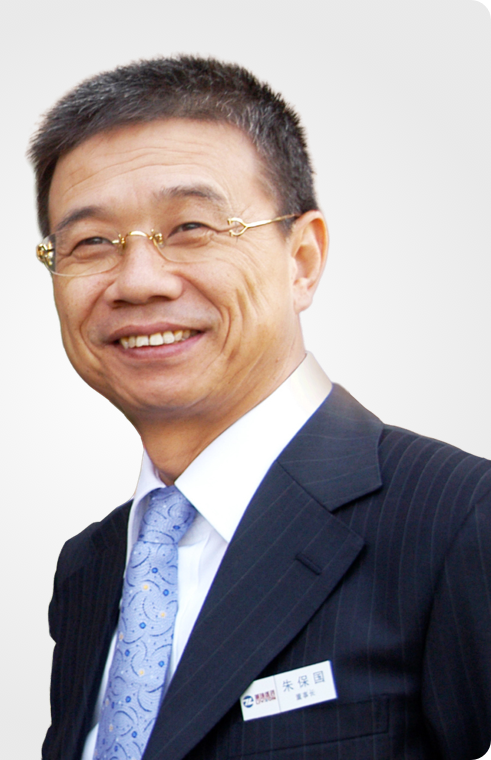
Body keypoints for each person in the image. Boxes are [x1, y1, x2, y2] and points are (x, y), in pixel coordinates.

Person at [28, 55, 491, 760]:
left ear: (302, 258)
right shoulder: (90, 568)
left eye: (192, 227)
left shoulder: (460, 521)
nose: (140, 281)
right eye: (92, 242)